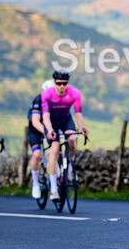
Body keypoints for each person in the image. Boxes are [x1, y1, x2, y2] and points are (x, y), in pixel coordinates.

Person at [41, 71, 88, 201]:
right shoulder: (47, 94)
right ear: (54, 82)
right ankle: (54, 189)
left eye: (64, 83)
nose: (62, 86)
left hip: (66, 120)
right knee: (55, 149)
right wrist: (50, 130)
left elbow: (78, 113)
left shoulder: (75, 93)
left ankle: (70, 167)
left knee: (73, 138)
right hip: (52, 123)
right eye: (59, 83)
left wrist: (82, 127)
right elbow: (45, 115)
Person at [28, 80, 54, 199]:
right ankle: (36, 184)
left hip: (50, 128)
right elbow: (35, 121)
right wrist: (46, 131)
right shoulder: (38, 100)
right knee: (37, 154)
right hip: (35, 129)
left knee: (55, 151)